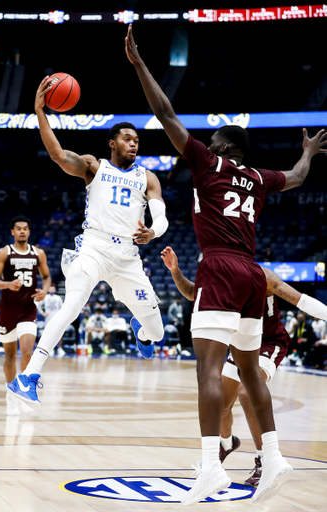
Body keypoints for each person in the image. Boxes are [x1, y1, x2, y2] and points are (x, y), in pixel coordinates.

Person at [125, 24, 327, 504]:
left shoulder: (208, 164)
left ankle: (212, 468)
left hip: (218, 266)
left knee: (209, 374)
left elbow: (164, 112)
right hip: (252, 273)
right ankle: (274, 456)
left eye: (210, 143)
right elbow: (297, 178)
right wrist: (307, 152)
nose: (204, 146)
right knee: (251, 372)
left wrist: (138, 64)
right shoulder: (258, 177)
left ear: (218, 149)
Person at [7, 76, 168, 409]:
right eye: (127, 139)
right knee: (70, 307)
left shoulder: (147, 177)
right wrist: (41, 111)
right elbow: (56, 154)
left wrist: (155, 231)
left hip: (127, 258)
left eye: (137, 140)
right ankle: (29, 376)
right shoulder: (95, 167)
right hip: (93, 248)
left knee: (158, 334)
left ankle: (140, 326)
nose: (134, 144)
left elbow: (161, 216)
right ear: (112, 143)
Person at [161, 245, 327, 487]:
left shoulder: (262, 275)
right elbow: (190, 293)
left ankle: (264, 459)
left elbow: (300, 300)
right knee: (219, 404)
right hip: (241, 345)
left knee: (246, 392)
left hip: (269, 341)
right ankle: (227, 443)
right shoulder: (216, 282)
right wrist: (175, 271)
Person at [0, 216, 51, 415]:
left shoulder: (38, 253)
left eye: (25, 228)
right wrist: (8, 284)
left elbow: (47, 276)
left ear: (29, 232)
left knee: (28, 352)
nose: (22, 231)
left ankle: (25, 391)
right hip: (8, 309)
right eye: (18, 228)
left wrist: (45, 291)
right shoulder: (4, 252)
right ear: (12, 232)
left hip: (27, 309)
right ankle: (10, 390)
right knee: (10, 356)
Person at [36, 284, 65, 356]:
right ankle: (49, 349)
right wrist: (42, 313)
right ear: (48, 290)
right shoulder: (45, 297)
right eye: (50, 289)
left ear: (55, 290)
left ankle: (59, 348)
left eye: (53, 289)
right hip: (48, 318)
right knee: (48, 334)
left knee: (59, 333)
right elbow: (38, 305)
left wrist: (59, 314)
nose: (52, 290)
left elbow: (62, 307)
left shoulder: (58, 298)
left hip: (56, 318)